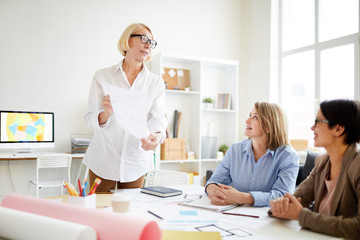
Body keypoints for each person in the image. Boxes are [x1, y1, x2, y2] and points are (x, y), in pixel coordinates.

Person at [83, 23, 167, 192]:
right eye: (143, 38)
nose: (148, 45)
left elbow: (158, 119)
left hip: (136, 160)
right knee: (98, 212)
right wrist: (106, 114)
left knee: (128, 214)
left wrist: (158, 136)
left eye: (151, 42)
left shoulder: (155, 82)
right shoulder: (103, 76)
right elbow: (88, 118)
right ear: (127, 40)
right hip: (103, 159)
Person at [269, 99, 360, 240]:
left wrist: (301, 215)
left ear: (338, 129)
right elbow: (298, 198)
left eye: (318, 121)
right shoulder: (322, 162)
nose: (312, 127)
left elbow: (357, 228)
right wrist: (281, 206)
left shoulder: (358, 167)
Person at [205, 102, 299, 207]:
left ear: (269, 126)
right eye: (250, 115)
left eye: (255, 117)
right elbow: (214, 181)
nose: (247, 120)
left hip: (267, 217)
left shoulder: (288, 157)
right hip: (232, 213)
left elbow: (282, 196)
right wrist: (212, 190)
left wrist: (241, 198)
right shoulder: (235, 150)